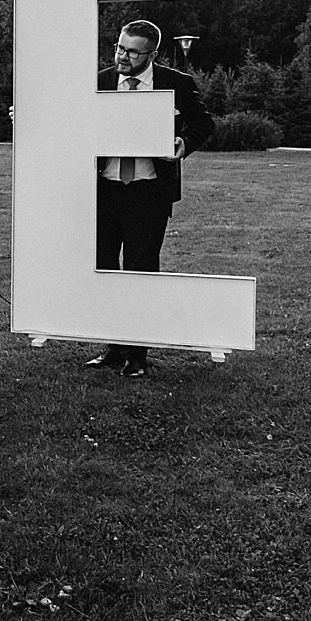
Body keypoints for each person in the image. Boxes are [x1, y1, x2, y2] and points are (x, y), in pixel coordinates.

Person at [88, 19, 214, 379]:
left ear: (152, 54)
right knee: (105, 268)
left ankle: (138, 355)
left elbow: (205, 124)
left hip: (149, 192)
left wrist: (183, 143)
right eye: (119, 48)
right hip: (104, 189)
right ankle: (113, 348)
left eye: (132, 51)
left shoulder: (177, 83)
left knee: (142, 269)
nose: (122, 56)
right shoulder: (98, 82)